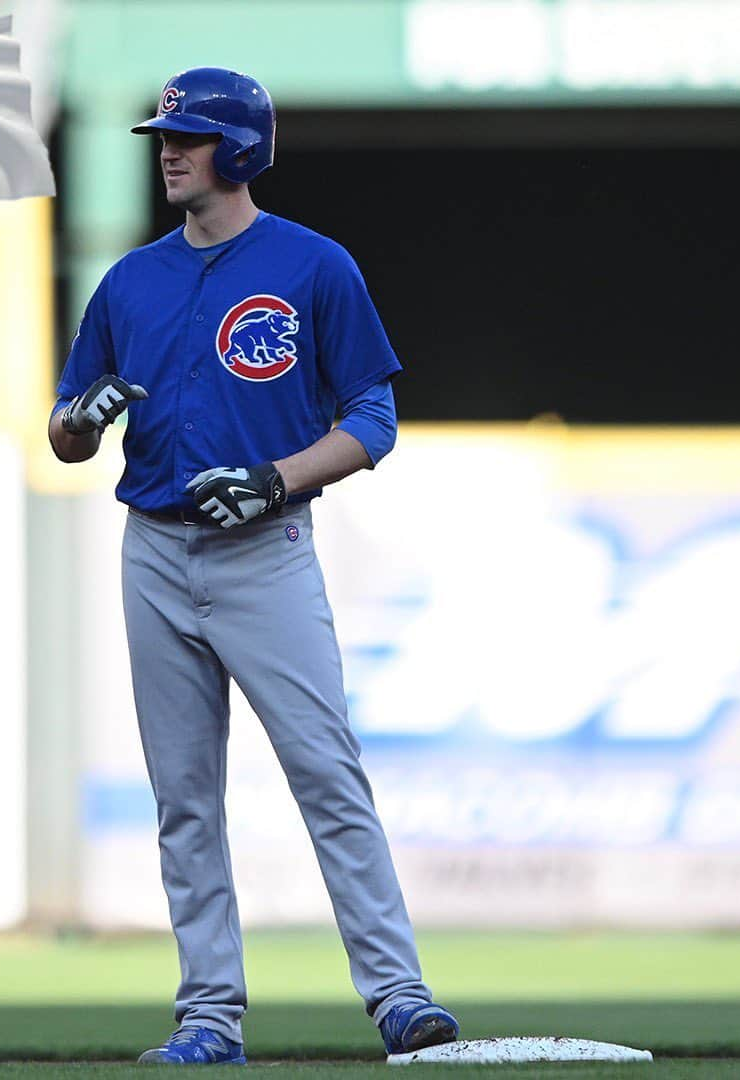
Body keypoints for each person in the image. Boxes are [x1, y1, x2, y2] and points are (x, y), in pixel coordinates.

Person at [48, 67, 459, 1066]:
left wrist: (277, 481)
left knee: (325, 772)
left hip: (263, 553)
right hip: (155, 548)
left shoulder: (313, 267)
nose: (168, 153)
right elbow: (64, 436)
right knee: (183, 794)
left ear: (239, 150)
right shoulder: (130, 280)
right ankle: (208, 1019)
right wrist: (80, 420)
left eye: (187, 137)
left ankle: (400, 998)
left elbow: (373, 418)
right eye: (162, 138)